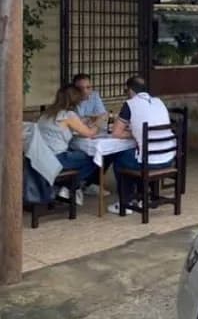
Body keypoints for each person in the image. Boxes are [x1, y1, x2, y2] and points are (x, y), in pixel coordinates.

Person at [109, 76, 176, 215]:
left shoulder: (130, 104)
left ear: (130, 90)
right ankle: (144, 196)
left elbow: (116, 132)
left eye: (126, 90)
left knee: (119, 159)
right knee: (134, 155)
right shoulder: (159, 101)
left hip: (149, 161)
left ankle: (126, 202)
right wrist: (138, 133)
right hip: (168, 158)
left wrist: (135, 134)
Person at [38, 85, 98, 204]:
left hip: (42, 156)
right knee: (94, 158)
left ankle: (65, 187)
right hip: (58, 158)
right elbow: (89, 133)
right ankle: (69, 186)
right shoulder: (68, 115)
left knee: (80, 154)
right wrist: (98, 124)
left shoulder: (46, 113)